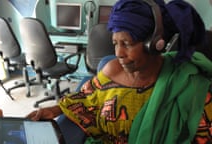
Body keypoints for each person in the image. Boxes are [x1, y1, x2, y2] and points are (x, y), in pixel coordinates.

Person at [27, 0, 212, 143]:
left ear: (156, 44)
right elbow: (87, 97)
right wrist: (53, 109)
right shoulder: (111, 70)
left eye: (127, 44)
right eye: (115, 43)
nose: (118, 54)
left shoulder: (190, 87)